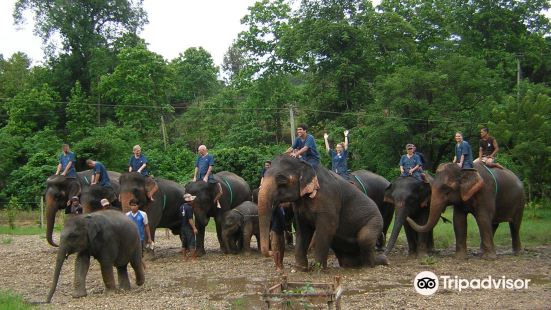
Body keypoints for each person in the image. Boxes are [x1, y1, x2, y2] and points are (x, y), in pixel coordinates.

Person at [179, 194, 198, 261]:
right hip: (188, 228)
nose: (193, 201)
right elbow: (190, 219)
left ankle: (184, 258)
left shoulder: (181, 207)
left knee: (184, 243)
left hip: (182, 227)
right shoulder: (189, 208)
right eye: (192, 200)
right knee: (192, 242)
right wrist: (194, 228)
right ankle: (193, 258)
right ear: (189, 201)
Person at [270, 205, 286, 271]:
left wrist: (285, 230)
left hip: (281, 231)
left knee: (282, 248)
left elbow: (283, 220)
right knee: (276, 249)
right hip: (275, 231)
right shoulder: (275, 208)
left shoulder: (282, 208)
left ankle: (280, 263)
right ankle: (277, 266)